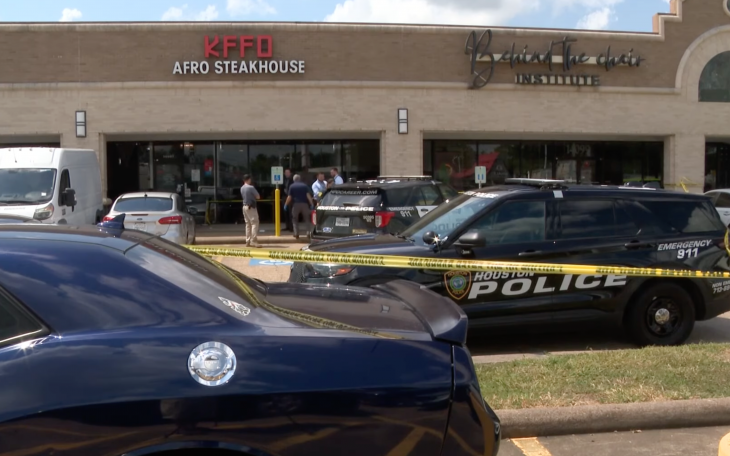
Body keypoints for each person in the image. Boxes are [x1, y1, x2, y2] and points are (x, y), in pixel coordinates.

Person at [284, 174, 315, 240]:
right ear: (299, 179)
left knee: (295, 219)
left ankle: (296, 233)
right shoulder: (304, 186)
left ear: (294, 179)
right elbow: (308, 195)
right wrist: (311, 204)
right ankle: (308, 232)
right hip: (305, 204)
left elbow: (289, 197)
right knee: (307, 219)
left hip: (296, 205)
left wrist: (286, 204)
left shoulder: (292, 186)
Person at [240, 174, 262, 248]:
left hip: (244, 206)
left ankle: (247, 241)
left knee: (248, 224)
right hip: (251, 207)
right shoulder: (251, 187)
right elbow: (258, 196)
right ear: (249, 179)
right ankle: (254, 241)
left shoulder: (242, 188)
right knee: (254, 223)